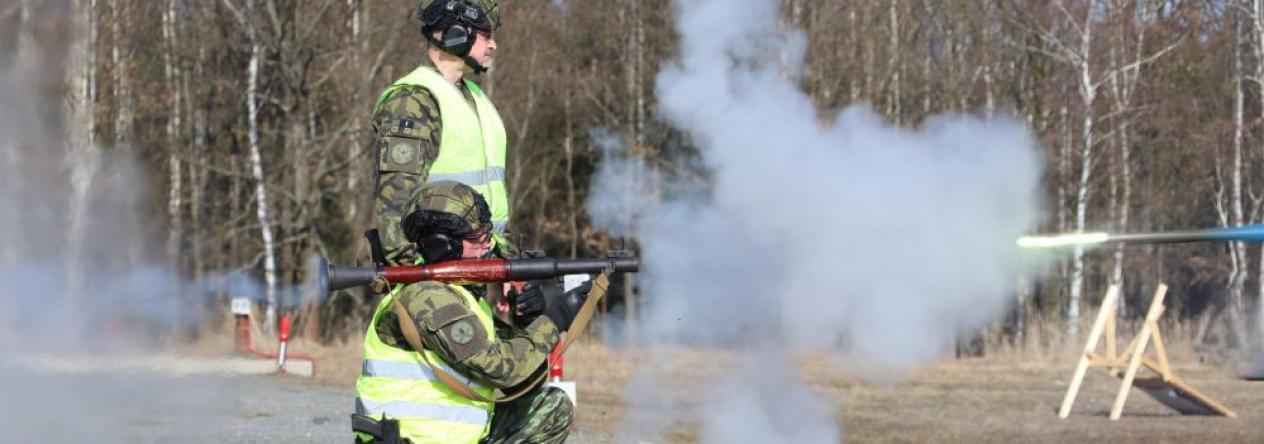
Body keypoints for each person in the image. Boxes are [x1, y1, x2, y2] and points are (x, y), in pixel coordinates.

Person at [354, 181, 590, 444]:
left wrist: (528, 320)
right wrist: (556, 319)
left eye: (487, 233)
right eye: (477, 238)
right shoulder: (426, 296)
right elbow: (498, 369)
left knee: (550, 407)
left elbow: (520, 384)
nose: (488, 244)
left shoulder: (462, 297)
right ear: (442, 245)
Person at [371, 0, 511, 268]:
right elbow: (394, 205)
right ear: (458, 34)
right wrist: (412, 276)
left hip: (471, 271)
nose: (493, 46)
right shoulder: (412, 100)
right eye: (487, 35)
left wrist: (508, 265)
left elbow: (494, 199)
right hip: (432, 278)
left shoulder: (475, 98)